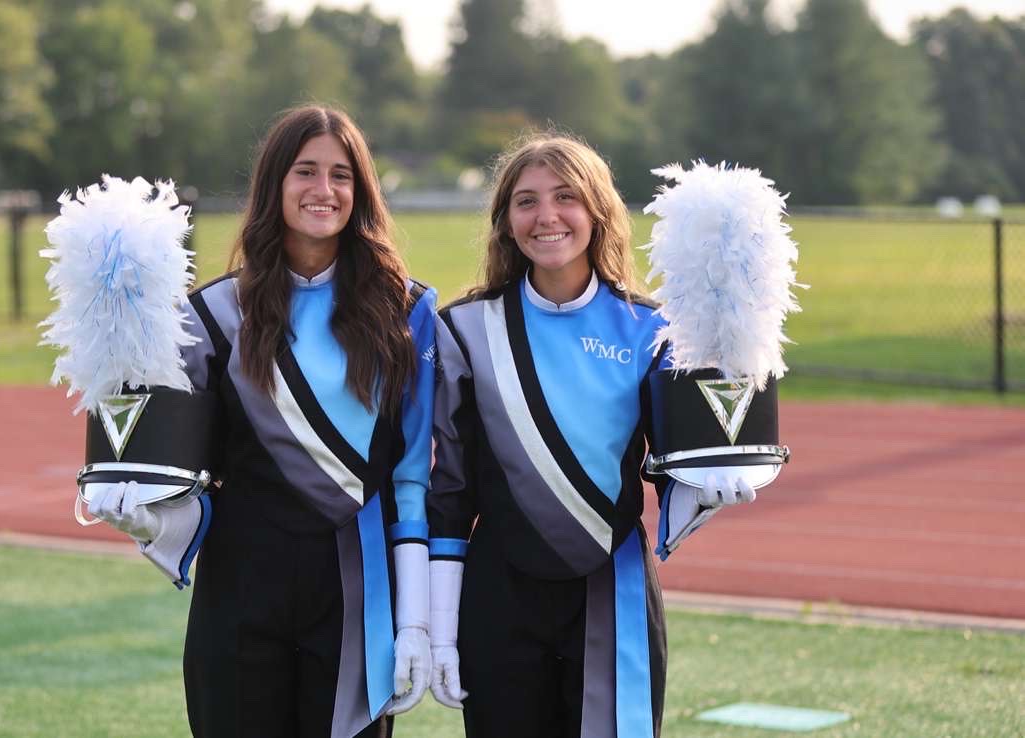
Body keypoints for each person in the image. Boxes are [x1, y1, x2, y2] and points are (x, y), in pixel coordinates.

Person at [87, 105, 437, 738]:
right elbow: (197, 472)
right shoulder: (210, 315)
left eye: (341, 174)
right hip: (240, 592)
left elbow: (412, 479)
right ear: (274, 183)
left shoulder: (409, 311)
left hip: (356, 599)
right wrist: (150, 517)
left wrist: (415, 620)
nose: (323, 190)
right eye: (305, 171)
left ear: (360, 192)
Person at [425, 134, 758, 738]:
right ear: (505, 221)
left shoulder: (653, 329)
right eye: (526, 201)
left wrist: (714, 482)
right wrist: (439, 627)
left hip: (613, 590)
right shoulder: (465, 328)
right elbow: (449, 491)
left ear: (598, 212)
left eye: (565, 197)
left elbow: (676, 468)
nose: (546, 216)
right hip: (499, 595)